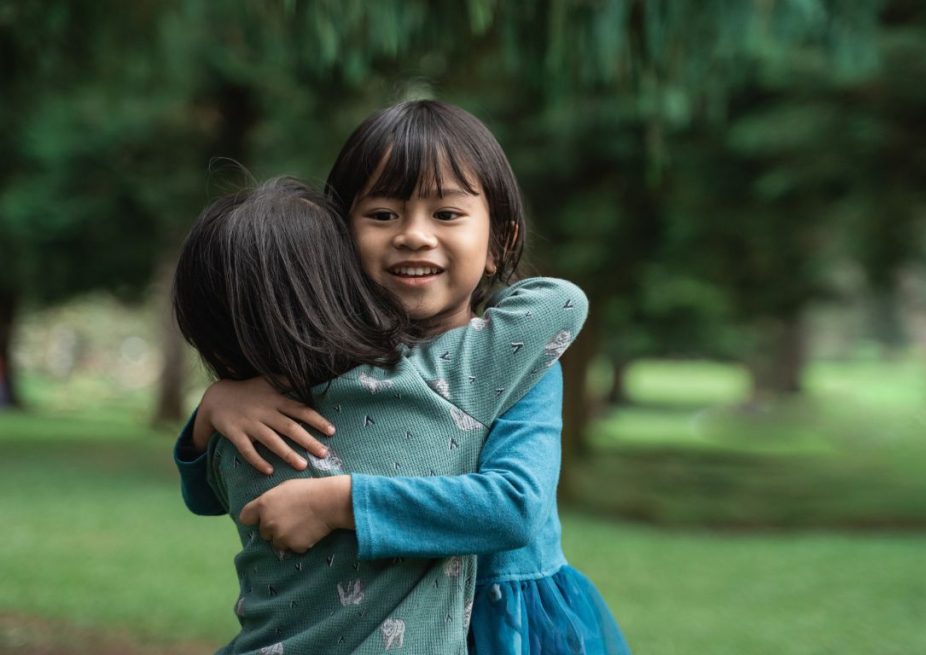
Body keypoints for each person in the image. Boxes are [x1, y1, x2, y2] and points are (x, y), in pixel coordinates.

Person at [175, 101, 629, 654]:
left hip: (506, 621)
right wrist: (212, 411)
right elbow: (220, 491)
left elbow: (518, 507)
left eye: (447, 214)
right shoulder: (331, 360)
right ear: (338, 241)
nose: (414, 235)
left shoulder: (514, 360)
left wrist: (340, 504)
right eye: (383, 214)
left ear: (500, 245)